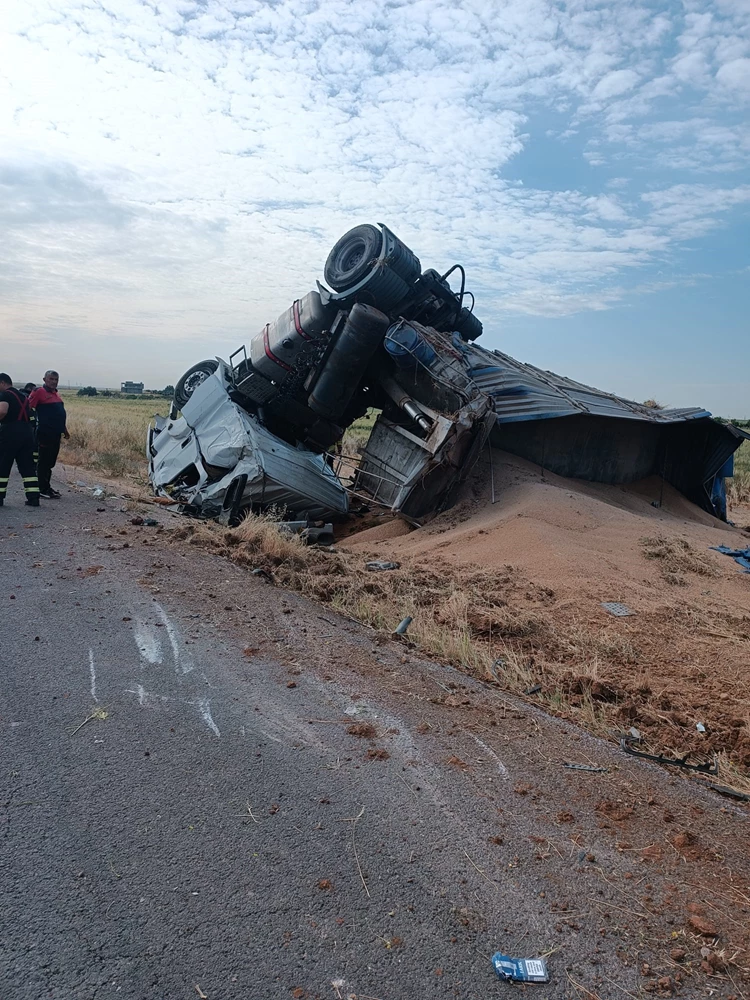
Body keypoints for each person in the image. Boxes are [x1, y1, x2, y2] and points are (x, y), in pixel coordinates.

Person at [27, 370, 69, 499]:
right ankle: (41, 488)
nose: (54, 382)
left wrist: (64, 429)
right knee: (44, 462)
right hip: (45, 433)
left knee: (50, 462)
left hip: (56, 433)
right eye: (51, 379)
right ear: (44, 379)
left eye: (56, 379)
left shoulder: (56, 394)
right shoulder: (39, 392)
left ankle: (46, 486)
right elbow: (28, 408)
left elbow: (59, 414)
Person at [0, 373, 40, 507]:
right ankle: (33, 497)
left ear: (2, 383)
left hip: (10, 432)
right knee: (27, 466)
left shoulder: (5, 394)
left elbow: (2, 411)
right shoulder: (23, 396)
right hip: (27, 432)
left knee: (3, 464)